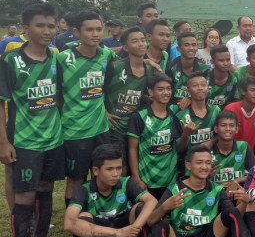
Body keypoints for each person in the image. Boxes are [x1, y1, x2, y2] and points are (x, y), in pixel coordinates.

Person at [0, 2, 68, 237]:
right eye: (40, 25)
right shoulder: (11, 61)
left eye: (51, 25)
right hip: (25, 141)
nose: (47, 30)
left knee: (46, 188)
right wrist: (3, 142)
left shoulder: (55, 57)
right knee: (24, 196)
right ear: (26, 29)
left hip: (53, 139)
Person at [64, 144, 158, 237]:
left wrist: (131, 235)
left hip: (124, 231)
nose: (116, 174)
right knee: (82, 217)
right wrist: (118, 233)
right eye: (109, 169)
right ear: (96, 171)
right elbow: (69, 223)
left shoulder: (126, 182)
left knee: (142, 208)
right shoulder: (83, 190)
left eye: (119, 168)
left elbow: (152, 201)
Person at [57, 11, 115, 208]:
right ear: (77, 32)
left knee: (102, 174)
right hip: (75, 131)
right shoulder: (63, 59)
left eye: (98, 29)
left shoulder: (106, 54)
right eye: (89, 30)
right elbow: (56, 95)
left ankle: (97, 213)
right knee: (76, 179)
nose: (95, 34)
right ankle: (74, 222)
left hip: (101, 129)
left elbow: (106, 86)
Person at [104, 27, 155, 174]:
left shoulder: (150, 70)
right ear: (126, 47)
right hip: (115, 127)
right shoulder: (115, 67)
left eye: (142, 40)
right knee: (120, 168)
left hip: (136, 127)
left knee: (137, 167)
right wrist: (105, 111)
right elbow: (98, 90)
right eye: (135, 41)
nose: (140, 44)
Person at [128, 73, 182, 200]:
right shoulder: (140, 116)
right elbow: (132, 149)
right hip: (147, 179)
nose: (166, 92)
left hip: (169, 179)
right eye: (161, 89)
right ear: (151, 92)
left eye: (168, 88)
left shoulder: (175, 111)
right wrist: (136, 177)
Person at [175, 73, 221, 163]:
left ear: (208, 89)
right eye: (195, 85)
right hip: (189, 165)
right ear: (188, 91)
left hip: (213, 163)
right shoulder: (180, 115)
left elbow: (222, 134)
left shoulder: (216, 110)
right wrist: (185, 135)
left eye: (203, 85)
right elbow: (179, 149)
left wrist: (211, 142)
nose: (200, 88)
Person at [224, 76, 255, 159]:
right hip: (231, 153)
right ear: (243, 91)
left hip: (250, 154)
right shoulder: (230, 109)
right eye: (252, 90)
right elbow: (226, 135)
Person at [210, 111, 255, 186]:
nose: (228, 129)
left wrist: (237, 181)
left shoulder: (243, 146)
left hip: (238, 192)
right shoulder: (207, 150)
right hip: (214, 194)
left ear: (236, 129)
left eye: (231, 125)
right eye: (223, 125)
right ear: (216, 129)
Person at [165, 32, 209, 105]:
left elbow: (207, 91)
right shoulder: (171, 67)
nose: (191, 48)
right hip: (174, 107)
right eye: (186, 45)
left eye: (194, 45)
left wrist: (190, 99)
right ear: (178, 49)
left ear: (197, 48)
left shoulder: (203, 67)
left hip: (196, 105)